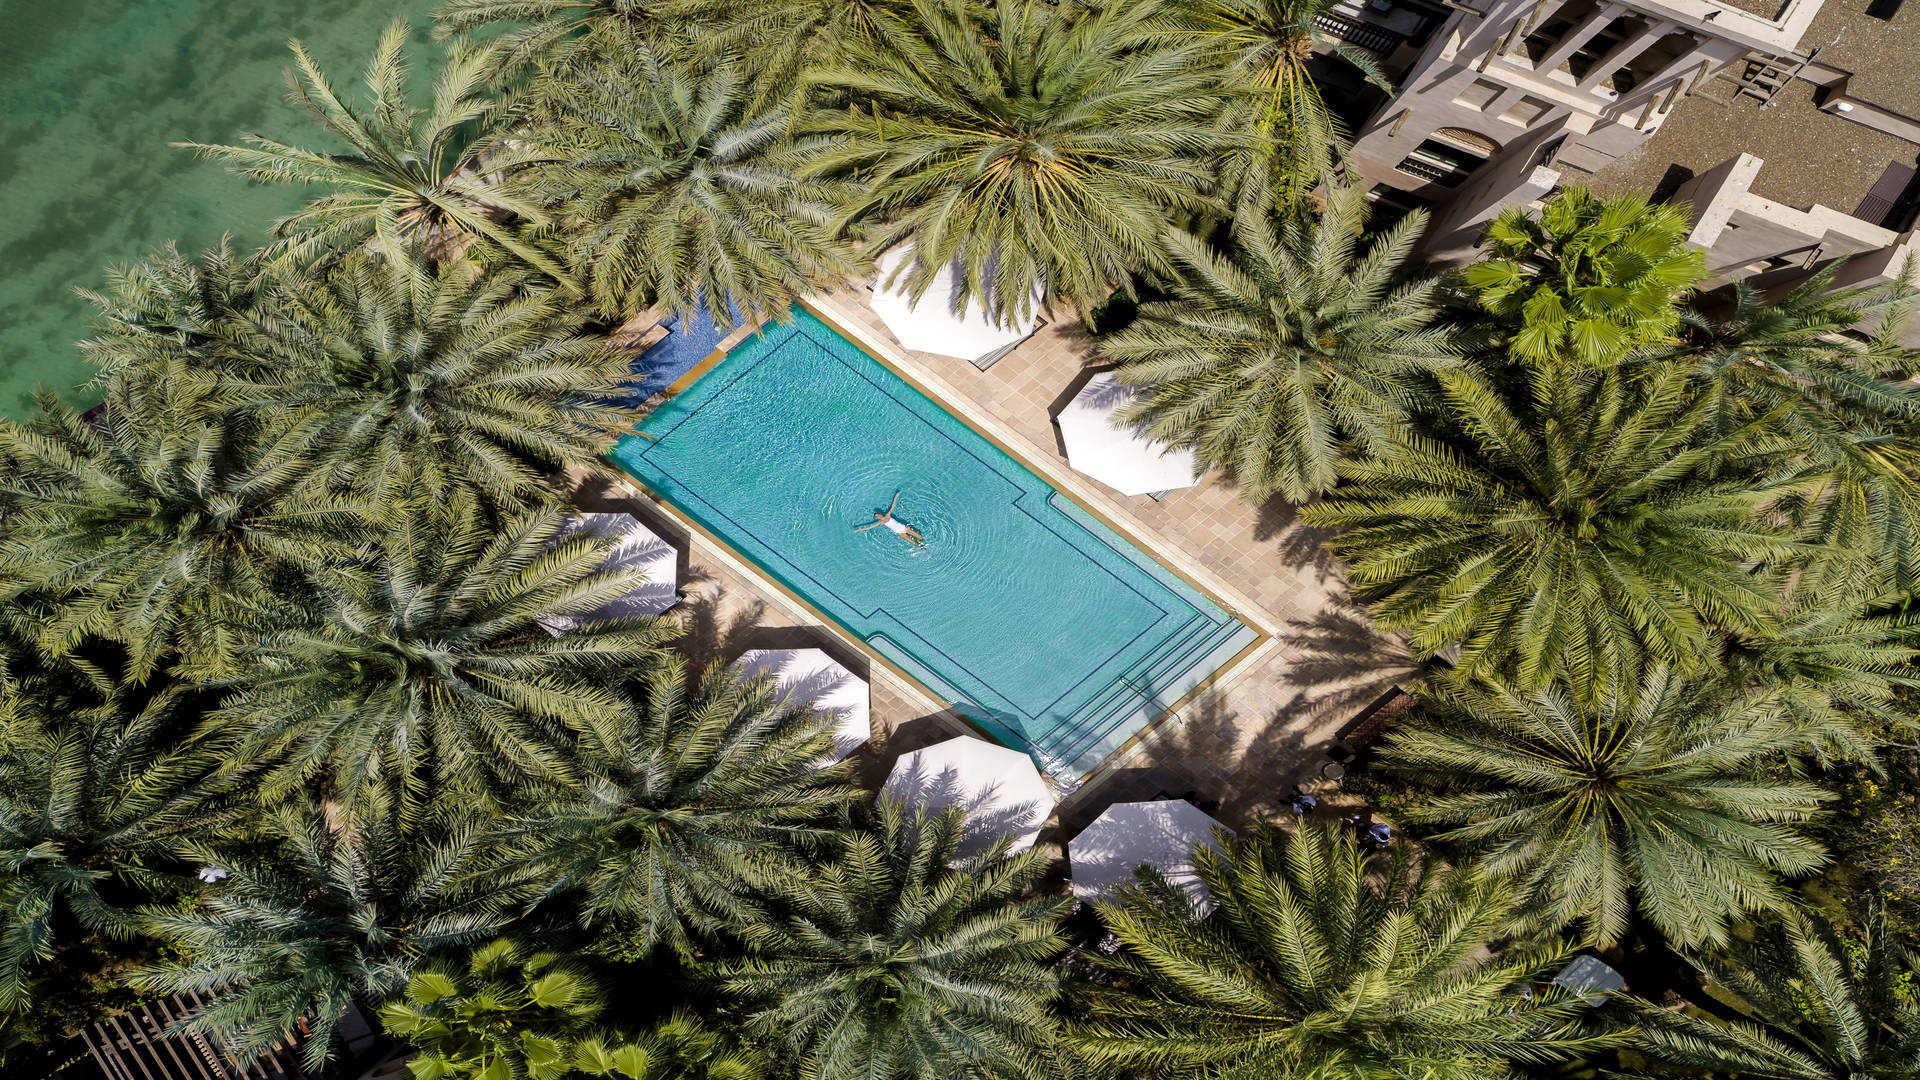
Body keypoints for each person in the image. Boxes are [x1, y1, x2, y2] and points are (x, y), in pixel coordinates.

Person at [853, 492, 925, 548]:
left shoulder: (888, 515)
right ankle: (922, 548)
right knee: (913, 543)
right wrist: (858, 530)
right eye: (877, 516)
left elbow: (892, 506)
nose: (878, 516)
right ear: (877, 518)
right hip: (899, 532)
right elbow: (869, 527)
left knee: (920, 537)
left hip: (903, 527)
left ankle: (920, 543)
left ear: (880, 514)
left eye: (878, 514)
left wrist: (896, 496)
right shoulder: (880, 522)